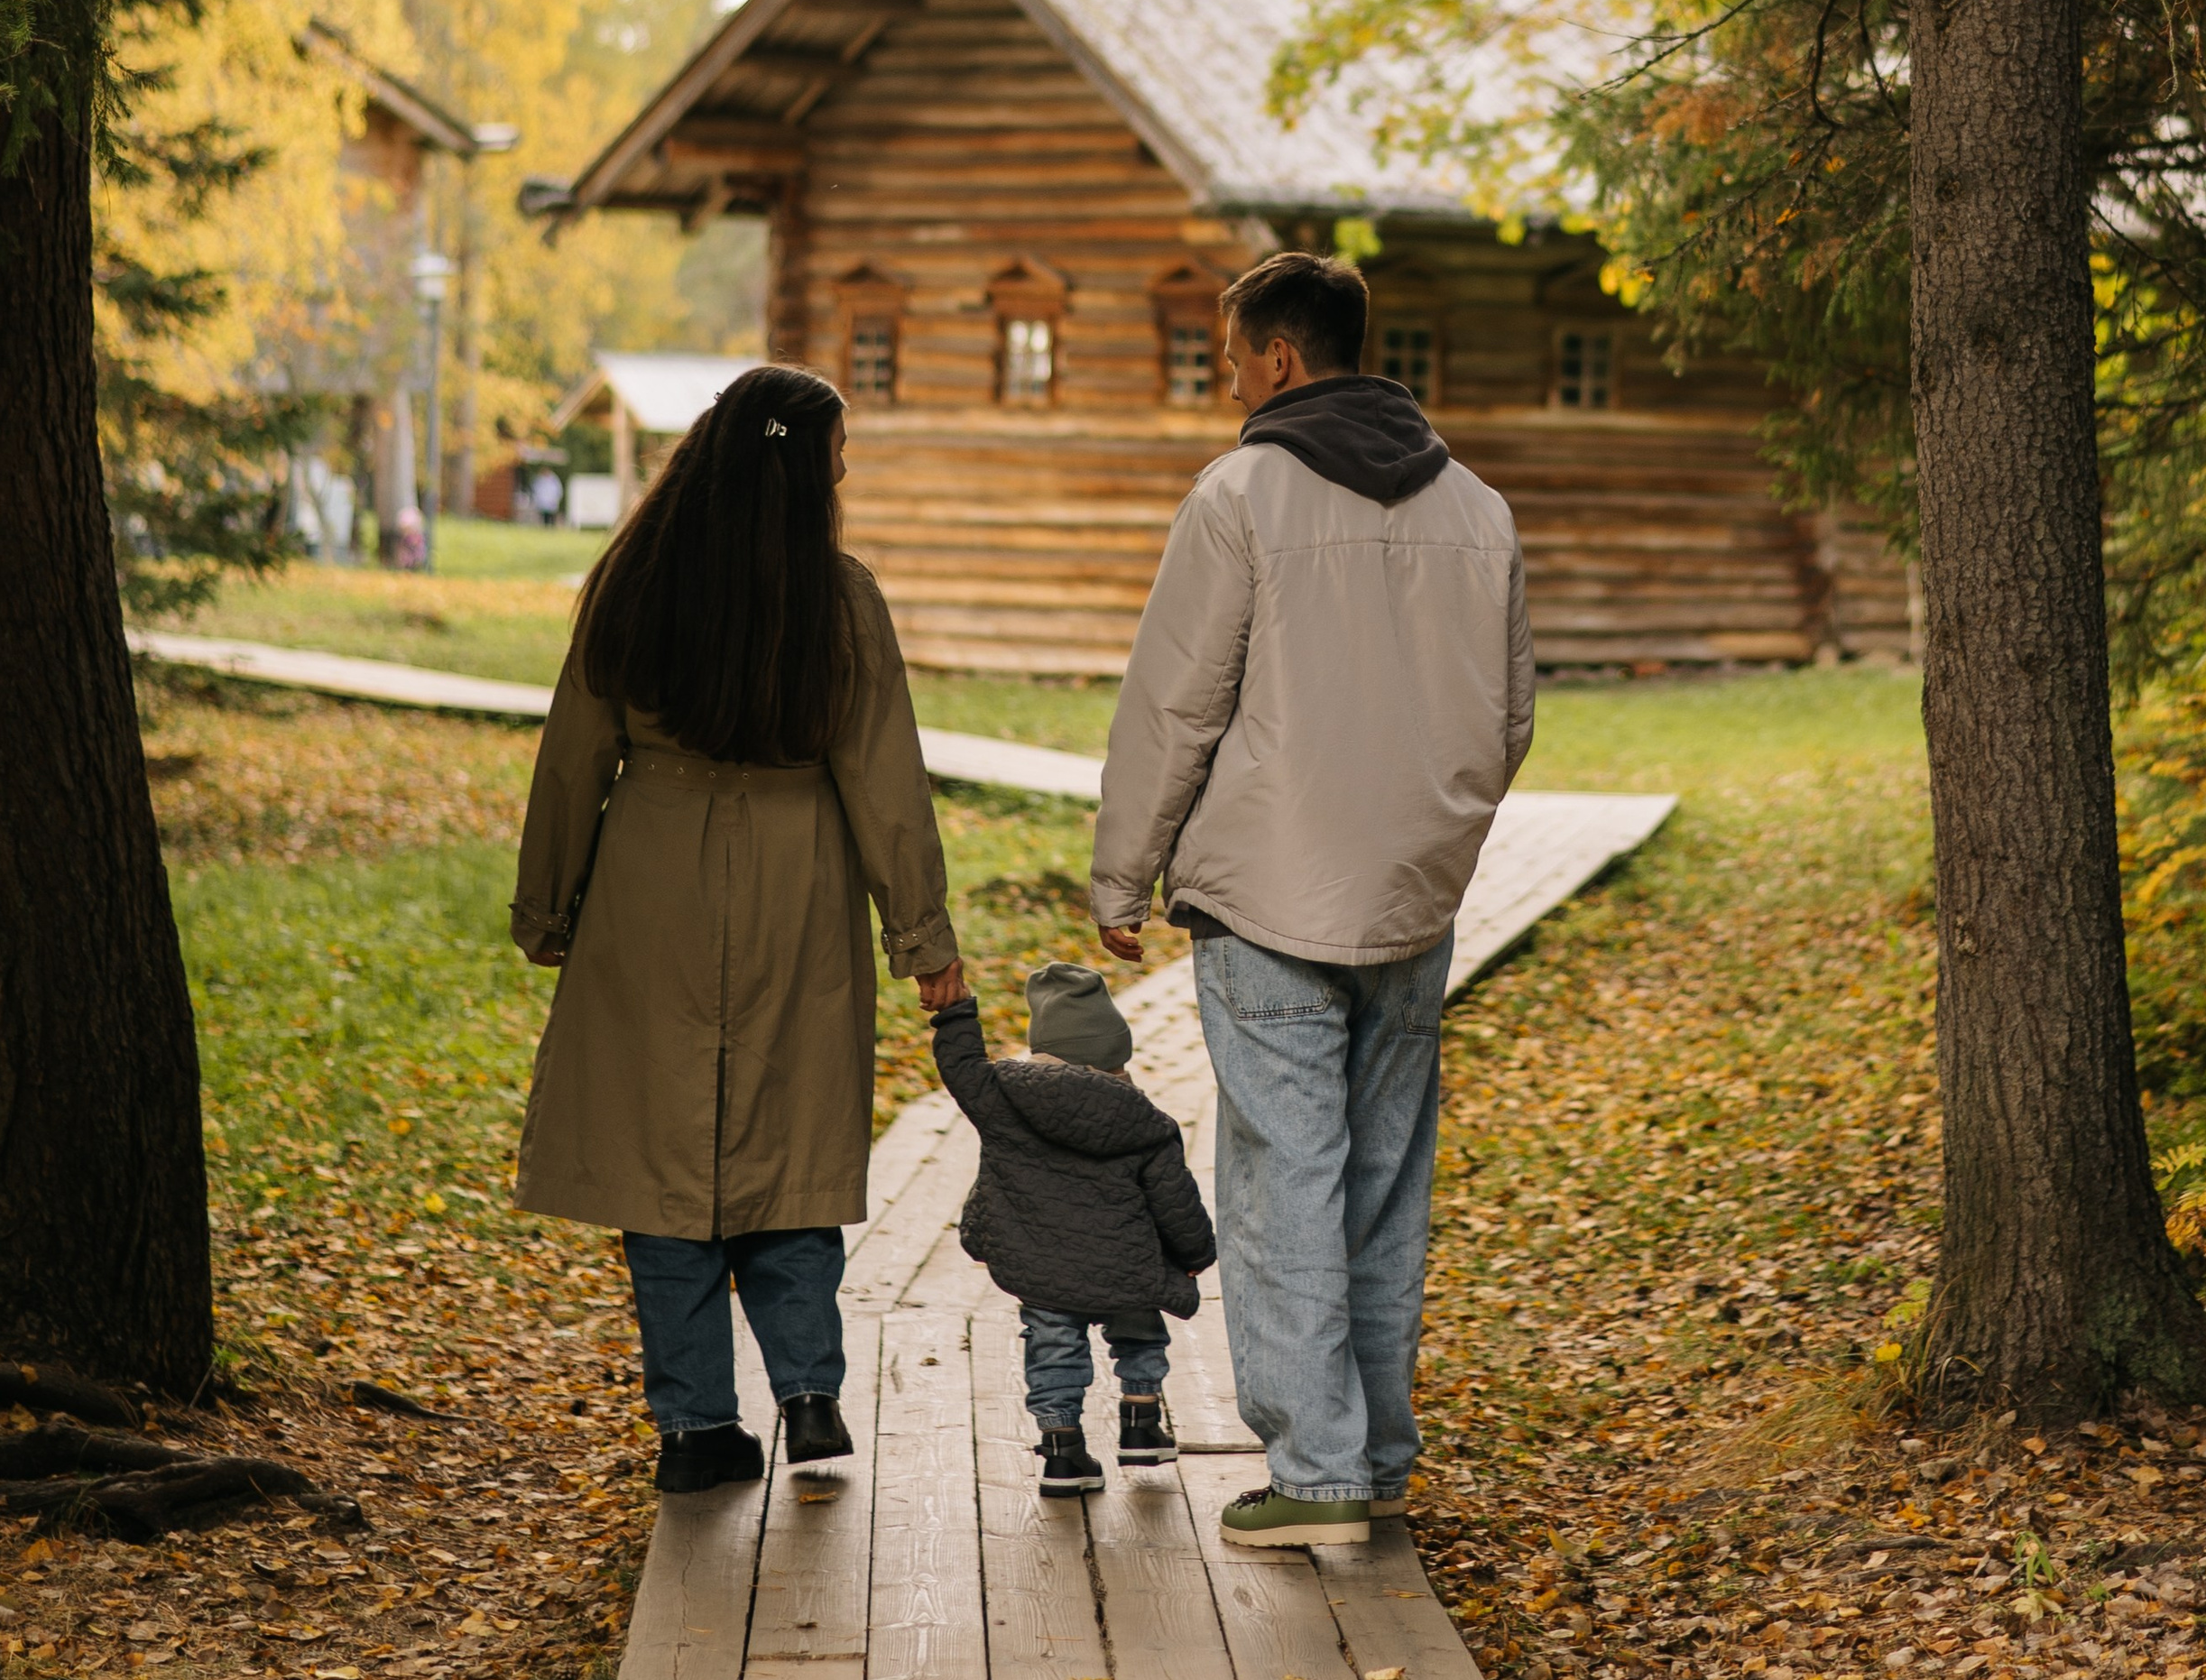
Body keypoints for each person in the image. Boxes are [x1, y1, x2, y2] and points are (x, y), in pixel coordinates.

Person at [1091, 250, 1534, 1551]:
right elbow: (1507, 720)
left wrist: (1125, 869)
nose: (1231, 382)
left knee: (1286, 1175)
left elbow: (1178, 704)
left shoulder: (1239, 495)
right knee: (1385, 1180)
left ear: (1279, 357)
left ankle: (1321, 1472)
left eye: (1233, 357)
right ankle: (1379, 1453)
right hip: (1414, 897)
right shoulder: (1482, 511)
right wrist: (1433, 832)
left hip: (1268, 897)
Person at [510, 361, 966, 1495]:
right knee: (791, 1145)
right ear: (799, 468)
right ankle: (808, 1392)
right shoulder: (838, 596)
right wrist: (924, 936)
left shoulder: (634, 582)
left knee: (660, 1163)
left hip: (647, 880)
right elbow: (886, 780)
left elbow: (573, 757)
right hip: (797, 877)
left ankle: (697, 1428)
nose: (844, 474)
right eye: (835, 457)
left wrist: (549, 900)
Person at [930, 960, 1214, 1497]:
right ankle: (1142, 1423)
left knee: (1053, 1343)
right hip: (1126, 1261)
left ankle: (1063, 1452)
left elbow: (960, 1064)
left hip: (1040, 1265)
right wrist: (1195, 1252)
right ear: (1115, 1054)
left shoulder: (1002, 1097)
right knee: (1140, 1327)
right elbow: (1174, 1201)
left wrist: (956, 1011)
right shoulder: (1144, 1121)